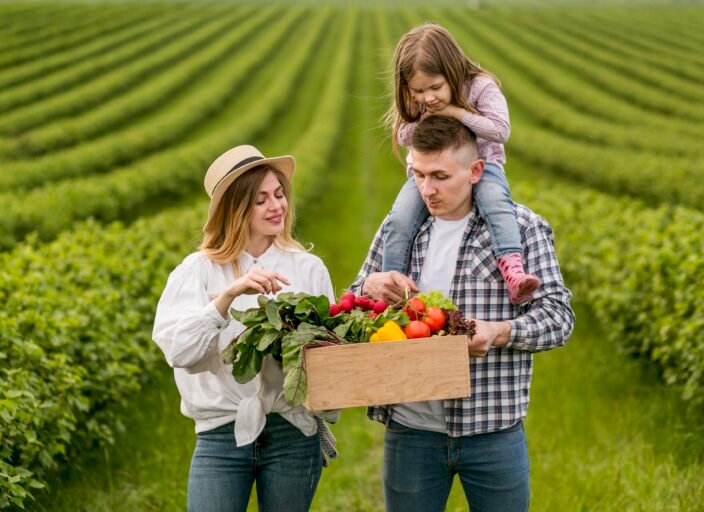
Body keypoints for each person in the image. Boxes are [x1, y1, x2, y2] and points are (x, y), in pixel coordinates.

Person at [350, 116, 574, 512]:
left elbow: (558, 317)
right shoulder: (398, 229)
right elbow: (350, 302)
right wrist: (368, 289)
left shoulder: (522, 229)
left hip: (492, 432)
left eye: (440, 176)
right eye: (418, 175)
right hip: (410, 430)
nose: (427, 189)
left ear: (475, 171)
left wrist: (499, 331)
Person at [152, 145, 337, 512]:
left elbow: (328, 355)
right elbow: (179, 351)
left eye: (279, 195)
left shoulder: (307, 268)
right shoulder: (198, 270)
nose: (276, 206)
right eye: (261, 200)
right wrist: (227, 297)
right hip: (222, 433)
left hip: (291, 430)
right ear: (235, 209)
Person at [383, 23, 540, 304]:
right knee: (400, 217)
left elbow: (500, 130)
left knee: (496, 204)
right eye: (419, 90)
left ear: (453, 71)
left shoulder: (480, 87)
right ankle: (390, 281)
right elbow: (405, 136)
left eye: (435, 87)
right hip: (429, 170)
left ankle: (512, 269)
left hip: (485, 165)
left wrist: (455, 112)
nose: (428, 97)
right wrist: (424, 113)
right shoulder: (419, 101)